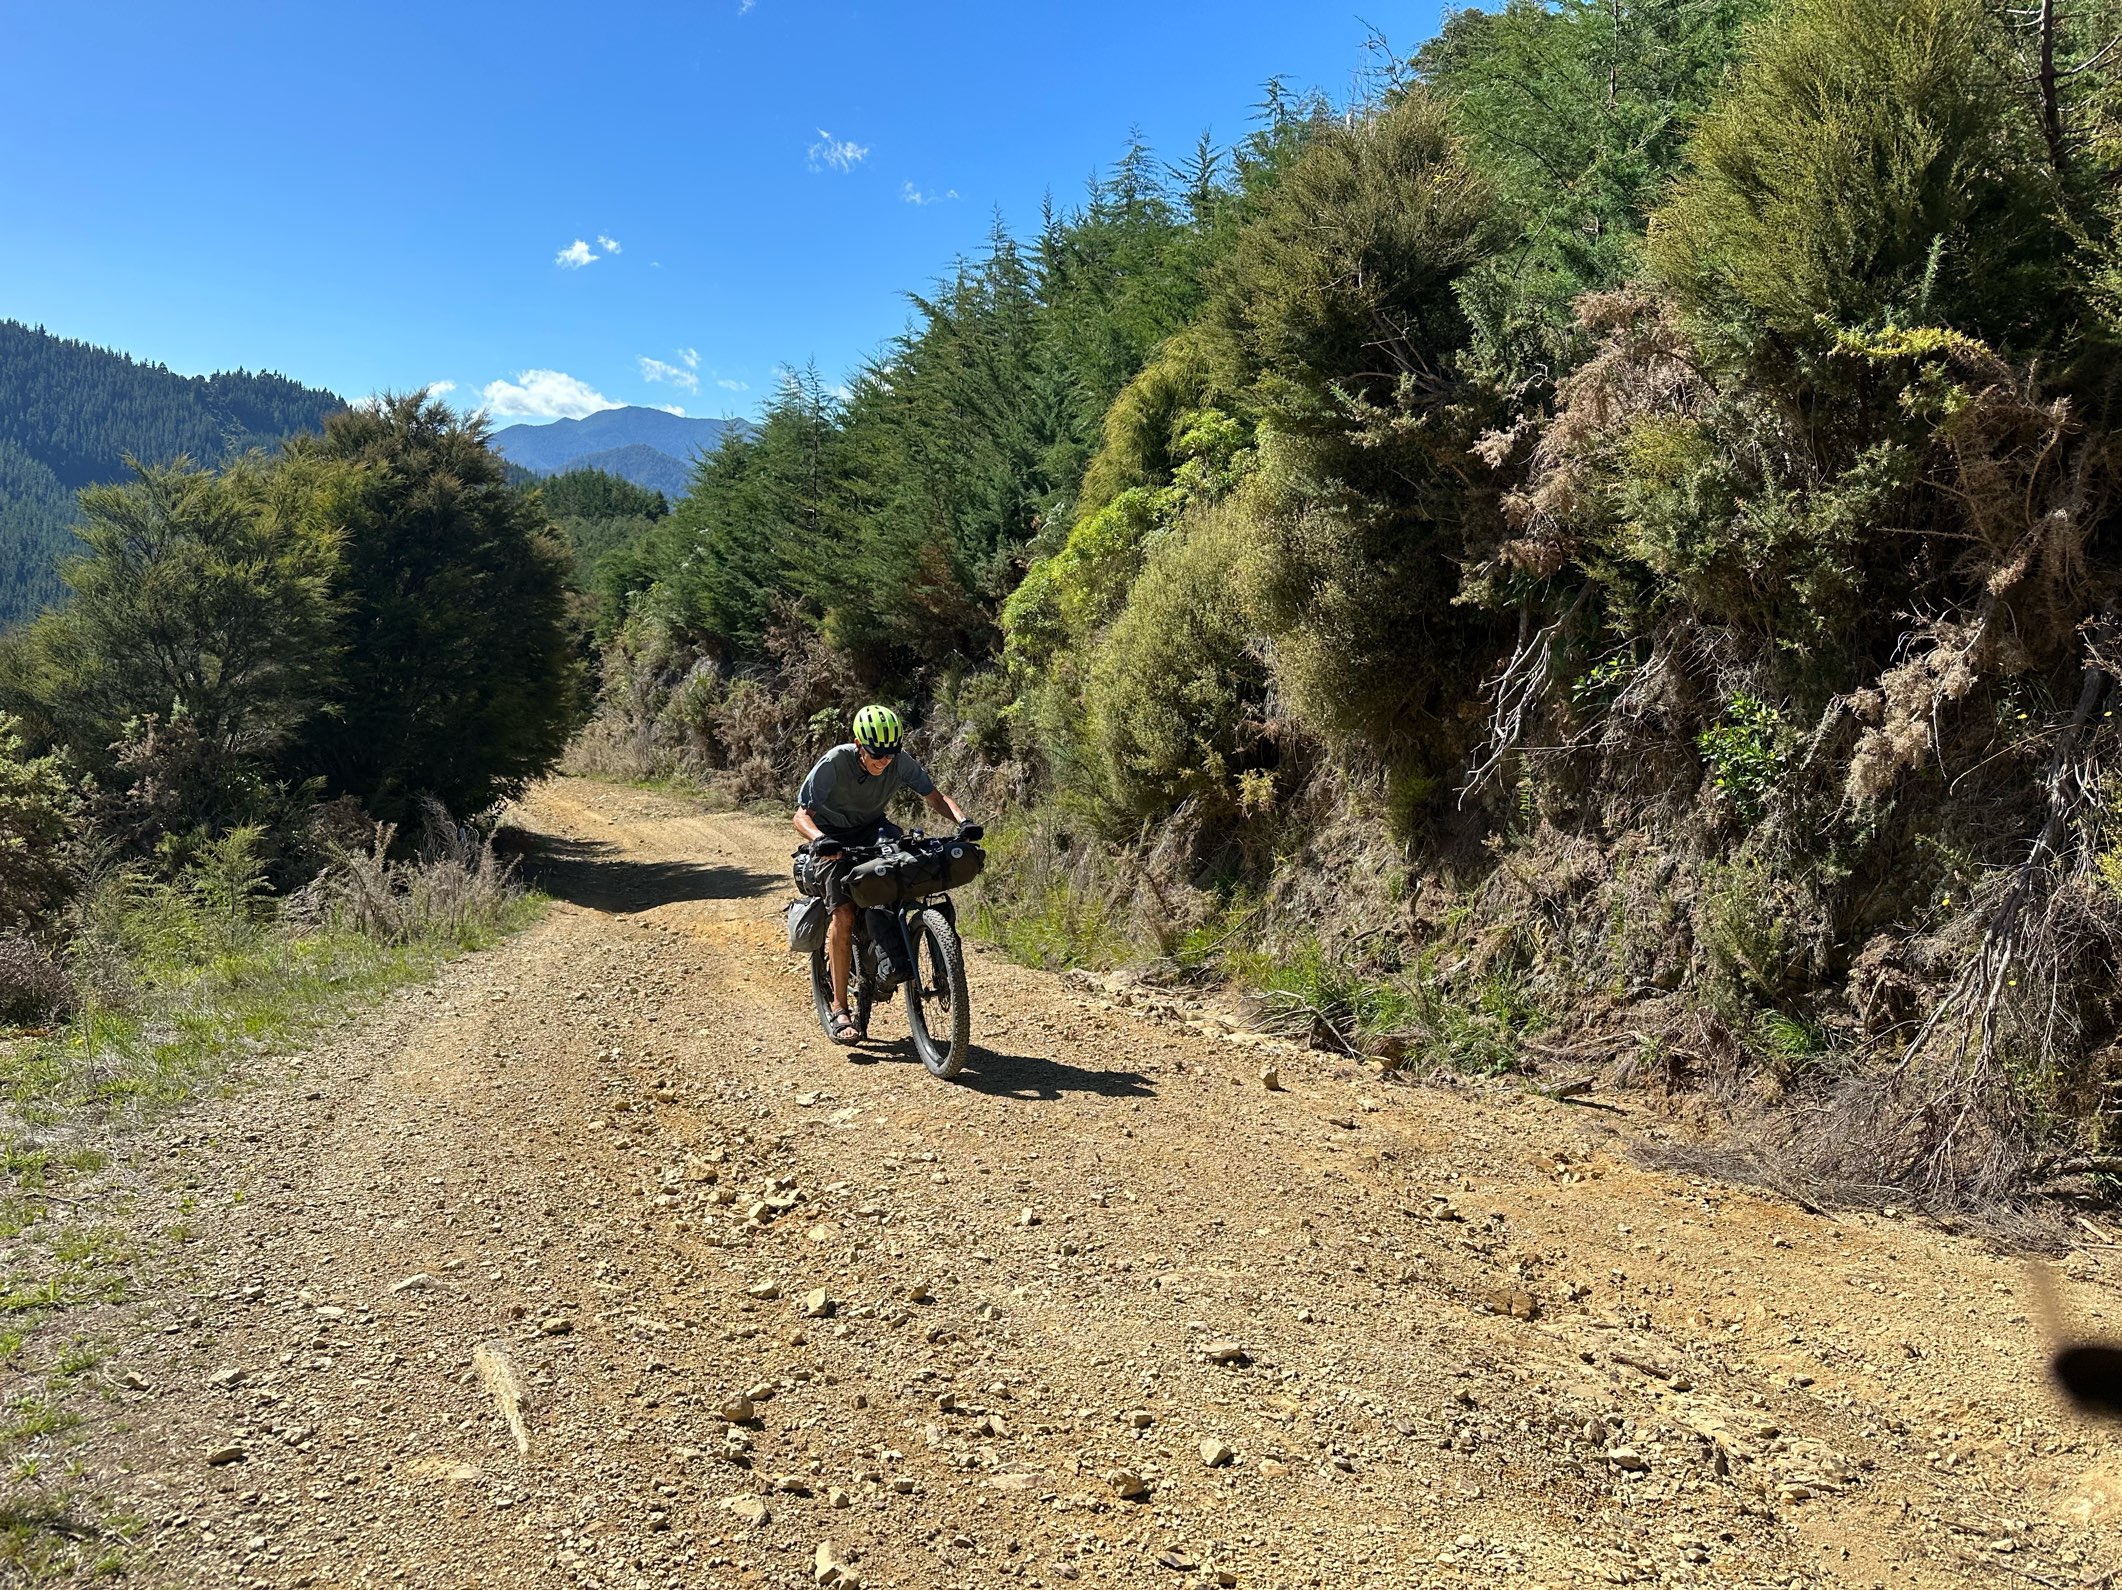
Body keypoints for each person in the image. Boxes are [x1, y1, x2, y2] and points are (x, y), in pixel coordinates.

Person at [793, 705, 968, 1044]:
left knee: (907, 873)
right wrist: (820, 839)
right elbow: (801, 816)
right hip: (831, 838)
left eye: (890, 754)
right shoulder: (835, 762)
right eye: (876, 754)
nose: (884, 761)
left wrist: (964, 823)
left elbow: (934, 796)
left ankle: (893, 948)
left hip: (874, 829)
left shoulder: (898, 760)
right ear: (859, 744)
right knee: (843, 914)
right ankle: (840, 1007)